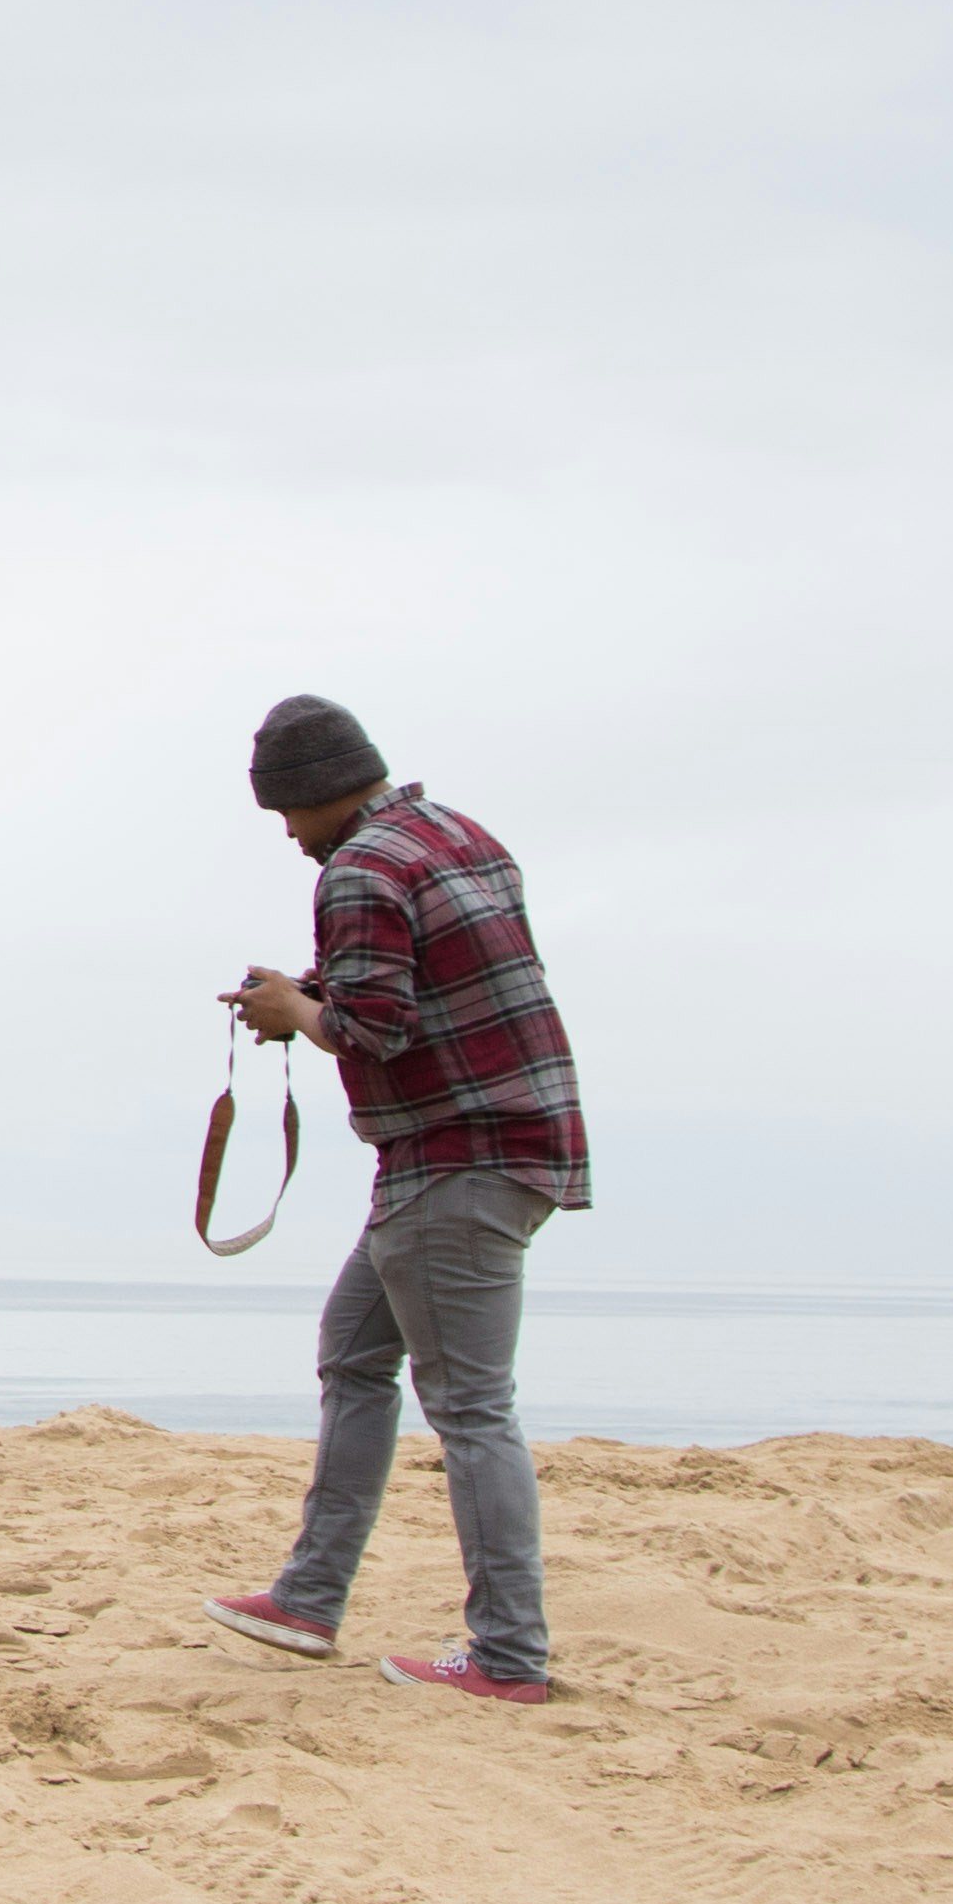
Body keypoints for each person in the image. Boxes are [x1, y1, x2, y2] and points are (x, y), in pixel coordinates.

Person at [200, 696, 588, 1699]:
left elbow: (379, 1027)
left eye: (286, 814)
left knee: (469, 1410)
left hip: (458, 1154)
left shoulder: (361, 868)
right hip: (498, 1145)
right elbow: (402, 983)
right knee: (354, 1353)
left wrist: (301, 1009)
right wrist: (303, 999)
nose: (287, 836)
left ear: (316, 794)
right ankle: (309, 1595)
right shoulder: (455, 833)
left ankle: (508, 1657)